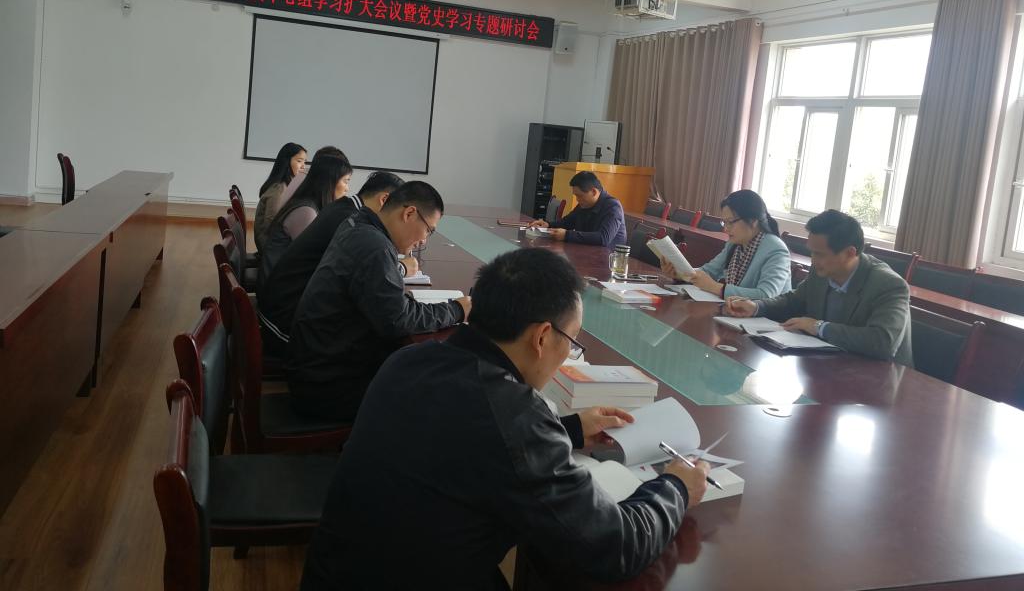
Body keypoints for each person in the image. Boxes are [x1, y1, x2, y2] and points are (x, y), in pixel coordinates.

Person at [299, 247, 709, 591]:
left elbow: (466, 445)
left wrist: (568, 430)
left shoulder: (409, 359)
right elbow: (614, 547)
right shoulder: (513, 412)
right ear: (542, 337)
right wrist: (676, 486)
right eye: (571, 341)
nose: (568, 352)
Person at [287, 181, 472, 421]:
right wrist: (456, 309)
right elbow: (398, 320)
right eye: (429, 230)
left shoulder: (358, 223)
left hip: (316, 366)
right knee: (434, 391)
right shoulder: (374, 247)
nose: (424, 241)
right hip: (327, 386)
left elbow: (393, 309)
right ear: (409, 213)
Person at [723, 209, 912, 365]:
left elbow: (882, 342)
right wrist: (756, 306)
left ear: (849, 253)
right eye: (811, 253)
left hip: (877, 379)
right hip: (827, 365)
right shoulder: (821, 269)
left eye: (820, 254)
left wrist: (819, 327)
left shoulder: (888, 285)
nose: (813, 261)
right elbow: (794, 301)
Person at [257, 171, 407, 358]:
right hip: (284, 324)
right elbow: (366, 272)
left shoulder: (344, 207)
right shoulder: (351, 220)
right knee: (380, 340)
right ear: (384, 200)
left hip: (278, 309)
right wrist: (402, 268)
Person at [660, 189, 791, 300]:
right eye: (724, 222)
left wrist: (716, 288)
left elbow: (767, 295)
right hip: (736, 313)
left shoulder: (776, 250)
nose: (725, 229)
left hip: (768, 320)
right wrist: (680, 274)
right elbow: (708, 271)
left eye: (730, 222)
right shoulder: (734, 244)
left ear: (753, 220)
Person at [257, 149, 351, 293]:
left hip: (281, 285)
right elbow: (320, 260)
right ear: (330, 182)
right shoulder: (306, 211)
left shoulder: (309, 204)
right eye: (346, 181)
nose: (347, 189)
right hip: (277, 292)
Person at [528, 171, 627, 247]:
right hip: (587, 253)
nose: (577, 199)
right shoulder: (584, 204)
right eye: (576, 196)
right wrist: (548, 225)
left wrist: (567, 235)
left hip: (608, 260)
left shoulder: (613, 207)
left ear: (594, 192)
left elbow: (603, 238)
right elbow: (567, 222)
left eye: (580, 196)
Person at [253, 142, 306, 252]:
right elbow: (271, 225)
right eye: (299, 161)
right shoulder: (279, 189)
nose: (303, 166)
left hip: (273, 244)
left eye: (304, 162)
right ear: (287, 162)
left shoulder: (286, 185)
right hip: (270, 248)